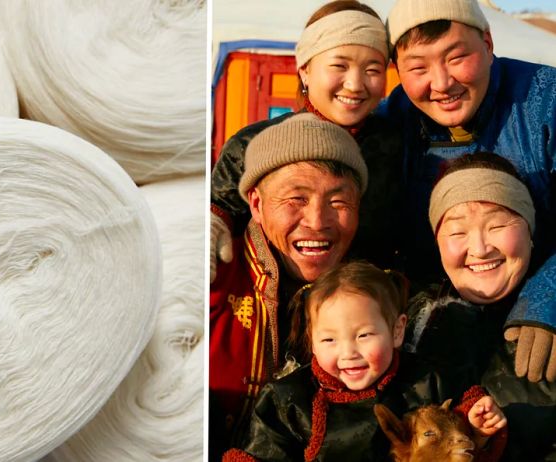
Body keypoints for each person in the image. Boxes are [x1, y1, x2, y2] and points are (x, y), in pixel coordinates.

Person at [382, 0, 556, 382]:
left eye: (457, 57)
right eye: (418, 68)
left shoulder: (546, 100)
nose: (442, 83)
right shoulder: (394, 121)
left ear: (489, 43)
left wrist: (548, 300)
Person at [223, 261, 507, 461]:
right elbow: (260, 454)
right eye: (329, 340)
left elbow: (458, 439)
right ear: (311, 339)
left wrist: (476, 428)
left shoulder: (427, 381)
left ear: (397, 330)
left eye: (364, 335)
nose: (348, 353)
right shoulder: (289, 400)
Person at [209, 113, 368, 459]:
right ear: (256, 204)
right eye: (296, 199)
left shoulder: (374, 298)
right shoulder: (211, 275)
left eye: (339, 202)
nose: (317, 222)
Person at [211, 0, 404, 284]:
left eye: (372, 70)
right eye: (339, 65)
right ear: (305, 70)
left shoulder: (397, 144)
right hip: (272, 316)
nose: (355, 84)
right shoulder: (253, 144)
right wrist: (213, 223)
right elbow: (220, 208)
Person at [405, 152, 556, 460]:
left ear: (530, 232)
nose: (480, 249)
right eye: (458, 232)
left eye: (498, 226)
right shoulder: (406, 325)